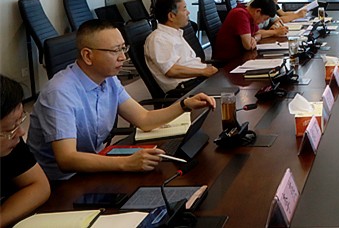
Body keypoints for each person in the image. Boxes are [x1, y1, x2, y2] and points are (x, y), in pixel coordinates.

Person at [27, 20, 217, 180]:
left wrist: (184, 105)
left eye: (123, 48)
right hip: (59, 183)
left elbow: (144, 119)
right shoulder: (60, 92)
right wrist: (126, 163)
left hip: (94, 167)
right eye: (115, 50)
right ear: (88, 56)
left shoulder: (108, 79)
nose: (123, 57)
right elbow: (67, 159)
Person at [0, 76, 50, 226]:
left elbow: (39, 186)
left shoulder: (11, 142)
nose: (21, 132)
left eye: (19, 121)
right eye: (10, 128)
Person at [145, 0, 218, 94]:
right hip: (186, 87)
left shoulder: (175, 33)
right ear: (171, 16)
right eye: (184, 9)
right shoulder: (158, 39)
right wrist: (203, 71)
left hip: (198, 79)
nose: (188, 12)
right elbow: (171, 70)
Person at [212, 0, 278, 63]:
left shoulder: (249, 15)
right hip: (229, 61)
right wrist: (254, 38)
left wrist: (254, 38)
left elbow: (259, 33)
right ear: (258, 11)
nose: (263, 22)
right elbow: (248, 46)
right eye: (265, 19)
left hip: (241, 56)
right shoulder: (240, 14)